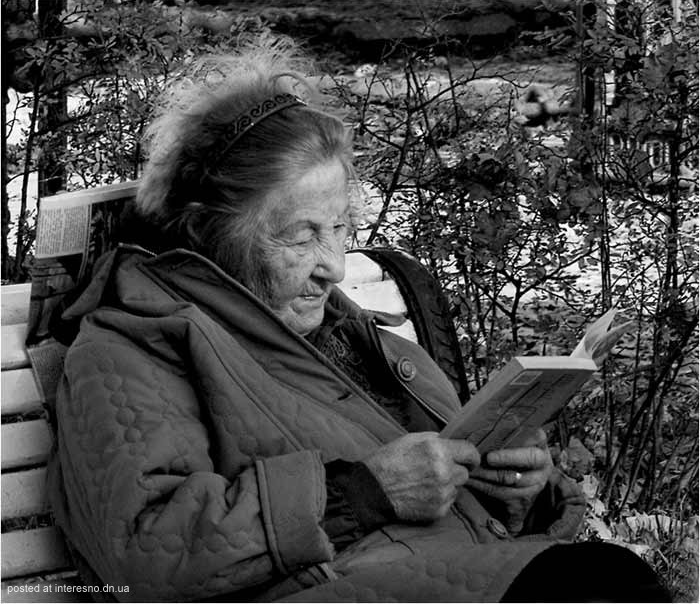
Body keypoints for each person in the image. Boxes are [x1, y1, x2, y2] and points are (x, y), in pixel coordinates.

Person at [47, 36, 670, 603]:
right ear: (213, 233)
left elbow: (459, 513)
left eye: (342, 229)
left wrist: (523, 493)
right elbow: (147, 553)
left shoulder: (348, 332)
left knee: (611, 581)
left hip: (454, 575)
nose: (336, 268)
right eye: (302, 237)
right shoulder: (130, 347)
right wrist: (363, 493)